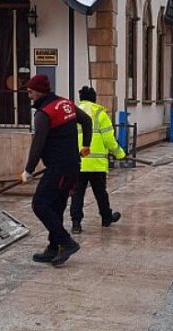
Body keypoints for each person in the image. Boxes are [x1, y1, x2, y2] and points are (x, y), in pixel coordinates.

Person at [21, 74, 93, 267]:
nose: (29, 95)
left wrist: (28, 170)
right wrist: (86, 146)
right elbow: (86, 121)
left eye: (29, 91)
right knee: (56, 207)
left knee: (40, 204)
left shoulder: (44, 113)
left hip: (59, 168)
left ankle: (66, 242)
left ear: (39, 91)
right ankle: (53, 248)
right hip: (72, 166)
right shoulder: (65, 104)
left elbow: (38, 143)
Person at [70, 86, 126, 234]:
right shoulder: (100, 113)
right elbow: (109, 140)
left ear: (81, 98)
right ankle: (106, 218)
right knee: (100, 192)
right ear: (95, 99)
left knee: (77, 193)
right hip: (96, 164)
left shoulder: (72, 113)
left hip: (78, 162)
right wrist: (120, 154)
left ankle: (76, 224)